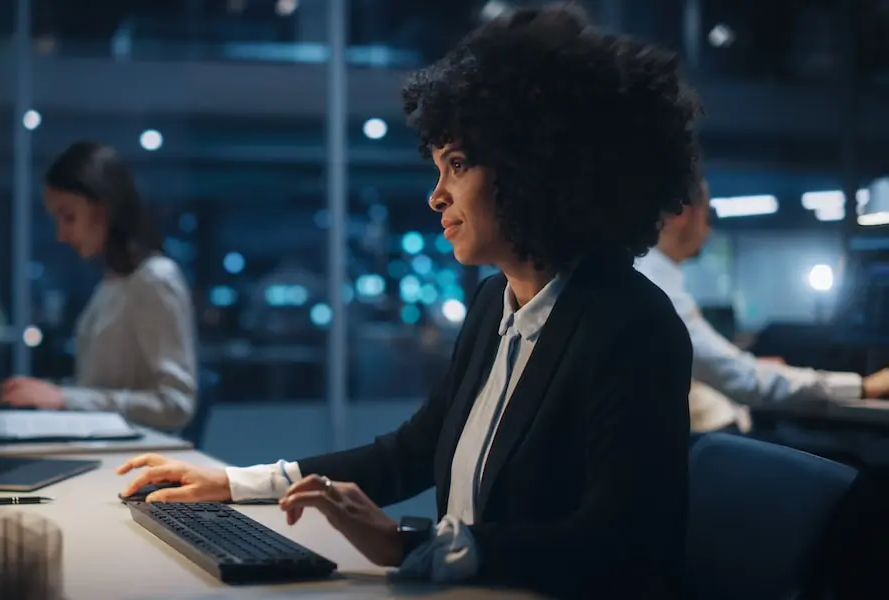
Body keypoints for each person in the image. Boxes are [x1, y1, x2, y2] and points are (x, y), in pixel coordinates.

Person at [117, 6, 701, 598]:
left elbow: (620, 546)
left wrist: (412, 545)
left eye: (458, 165)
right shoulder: (494, 304)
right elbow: (411, 453)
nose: (436, 196)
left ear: (535, 168)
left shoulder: (632, 326)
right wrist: (236, 484)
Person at [636, 178, 889, 433]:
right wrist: (863, 386)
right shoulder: (658, 289)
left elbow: (717, 367)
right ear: (682, 212)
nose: (709, 230)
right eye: (708, 215)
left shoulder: (645, 278)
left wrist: (750, 366)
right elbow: (743, 379)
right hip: (709, 438)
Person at [0, 141, 197, 431]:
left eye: (69, 217)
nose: (60, 234)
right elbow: (96, 389)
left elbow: (176, 405)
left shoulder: (155, 279)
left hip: (139, 454)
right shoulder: (114, 282)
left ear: (104, 211)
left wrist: (65, 398)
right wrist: (54, 394)